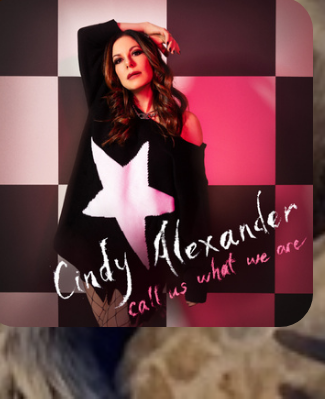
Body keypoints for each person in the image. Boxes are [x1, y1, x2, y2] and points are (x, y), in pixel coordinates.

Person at [53, 20, 214, 327]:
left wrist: (197, 275)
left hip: (147, 258)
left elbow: (195, 202)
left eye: (136, 52)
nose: (128, 63)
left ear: (152, 58)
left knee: (132, 334)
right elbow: (88, 38)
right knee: (107, 329)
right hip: (92, 250)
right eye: (118, 60)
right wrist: (142, 28)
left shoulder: (184, 124)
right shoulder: (104, 107)